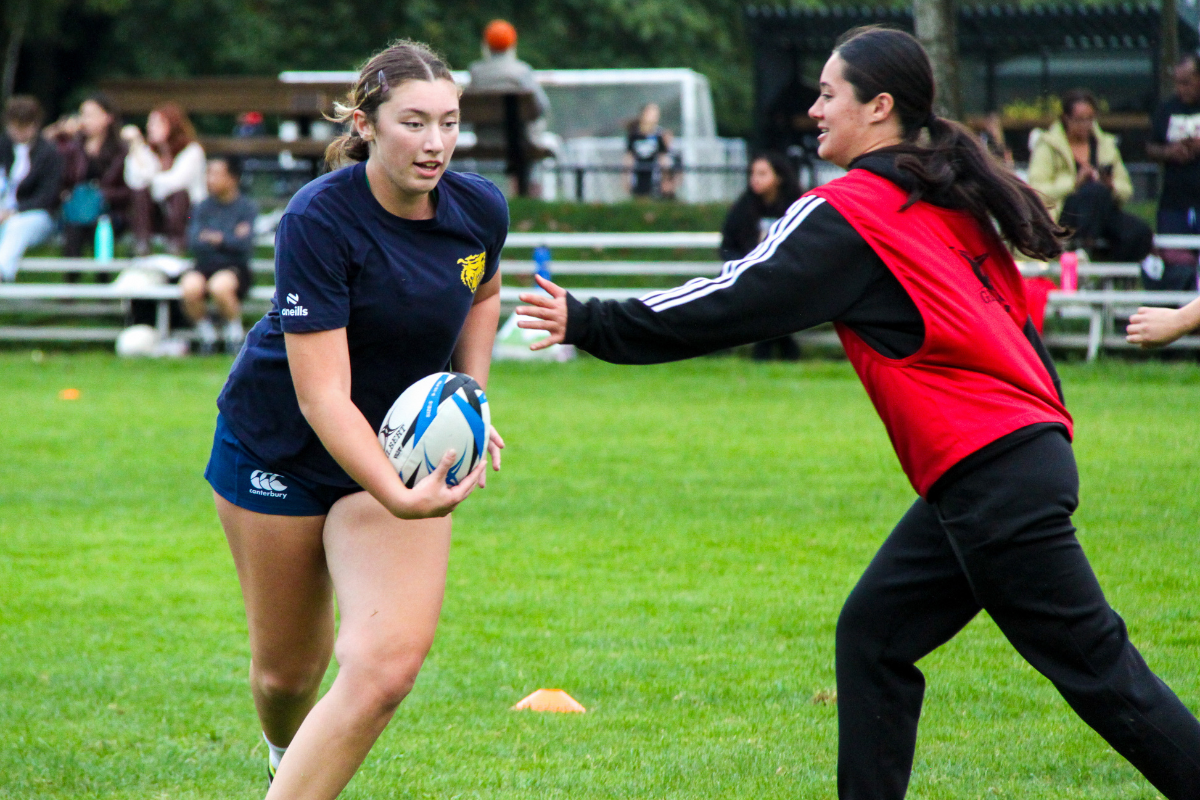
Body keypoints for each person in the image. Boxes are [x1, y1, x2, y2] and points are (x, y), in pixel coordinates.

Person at [517, 26, 1200, 800]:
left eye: (827, 93)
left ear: (879, 108)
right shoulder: (942, 196)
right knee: (874, 635)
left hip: (994, 476)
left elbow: (729, 302)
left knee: (1104, 675)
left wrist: (591, 318)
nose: (812, 109)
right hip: (1005, 464)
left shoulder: (853, 211)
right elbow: (1016, 336)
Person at [204, 39, 506, 799]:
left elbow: (483, 292)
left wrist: (468, 399)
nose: (434, 143)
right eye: (413, 122)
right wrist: (400, 496)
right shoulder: (319, 219)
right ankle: (284, 750)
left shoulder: (478, 209)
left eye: (448, 122)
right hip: (281, 447)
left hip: (397, 452)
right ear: (367, 125)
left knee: (383, 669)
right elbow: (322, 397)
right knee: (286, 675)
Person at [1028, 88, 1151, 264]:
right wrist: (1074, 184)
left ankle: (1110, 275)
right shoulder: (1048, 145)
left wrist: (1111, 186)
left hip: (1104, 211)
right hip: (1065, 213)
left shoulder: (1105, 144)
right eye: (1079, 120)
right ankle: (1082, 250)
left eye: (1090, 119)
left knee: (1140, 232)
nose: (1086, 125)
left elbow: (1126, 189)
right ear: (1066, 118)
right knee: (1094, 192)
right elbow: (1037, 190)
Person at [720, 152, 803, 360]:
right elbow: (728, 245)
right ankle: (785, 348)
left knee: (775, 294)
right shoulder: (744, 207)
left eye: (762, 173)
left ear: (779, 177)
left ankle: (765, 351)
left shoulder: (796, 206)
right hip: (751, 275)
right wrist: (742, 265)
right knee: (762, 294)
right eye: (753, 173)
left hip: (788, 275)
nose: (755, 179)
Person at [465, 19, 551, 196]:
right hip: (519, 144)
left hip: (486, 140)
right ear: (513, 44)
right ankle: (530, 190)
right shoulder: (521, 71)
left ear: (485, 44)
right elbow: (541, 107)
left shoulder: (476, 72)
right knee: (536, 130)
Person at [183, 156, 257, 354]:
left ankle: (235, 335)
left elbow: (244, 244)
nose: (210, 179)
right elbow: (193, 241)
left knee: (220, 286)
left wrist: (217, 239)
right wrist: (228, 238)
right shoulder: (200, 207)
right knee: (189, 287)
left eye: (216, 174)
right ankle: (208, 336)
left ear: (233, 178)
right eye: (208, 173)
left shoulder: (246, 208)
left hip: (235, 267)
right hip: (205, 264)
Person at [57, 93, 131, 279]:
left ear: (107, 117)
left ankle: (102, 283)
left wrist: (103, 195)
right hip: (78, 210)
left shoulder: (121, 150)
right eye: (83, 114)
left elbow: (128, 190)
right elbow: (64, 178)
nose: (85, 120)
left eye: (90, 114)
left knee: (102, 225)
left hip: (110, 210)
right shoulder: (74, 147)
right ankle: (70, 285)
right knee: (74, 225)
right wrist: (65, 137)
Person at [122, 102, 206, 255]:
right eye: (150, 123)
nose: (150, 127)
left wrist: (150, 178)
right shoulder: (148, 151)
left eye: (157, 123)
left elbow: (176, 182)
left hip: (188, 215)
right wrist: (136, 146)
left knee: (179, 194)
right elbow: (134, 180)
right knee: (140, 193)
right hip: (158, 213)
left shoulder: (192, 151)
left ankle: (177, 243)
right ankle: (142, 242)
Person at [1146, 52, 1200, 290]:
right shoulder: (1167, 108)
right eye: (1177, 82)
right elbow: (1150, 146)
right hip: (1174, 200)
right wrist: (1170, 152)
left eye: (1186, 82)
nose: (1181, 88)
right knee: (1177, 261)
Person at [0, 96, 62, 283]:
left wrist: (13, 211)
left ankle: (3, 271)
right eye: (14, 127)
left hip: (35, 215)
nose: (18, 133)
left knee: (17, 226)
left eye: (23, 127)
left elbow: (47, 196)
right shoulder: (3, 147)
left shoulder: (49, 153)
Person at [624, 102, 673, 198]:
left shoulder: (659, 135)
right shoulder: (634, 135)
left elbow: (663, 158)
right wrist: (625, 178)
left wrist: (666, 179)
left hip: (654, 176)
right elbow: (629, 157)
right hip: (637, 176)